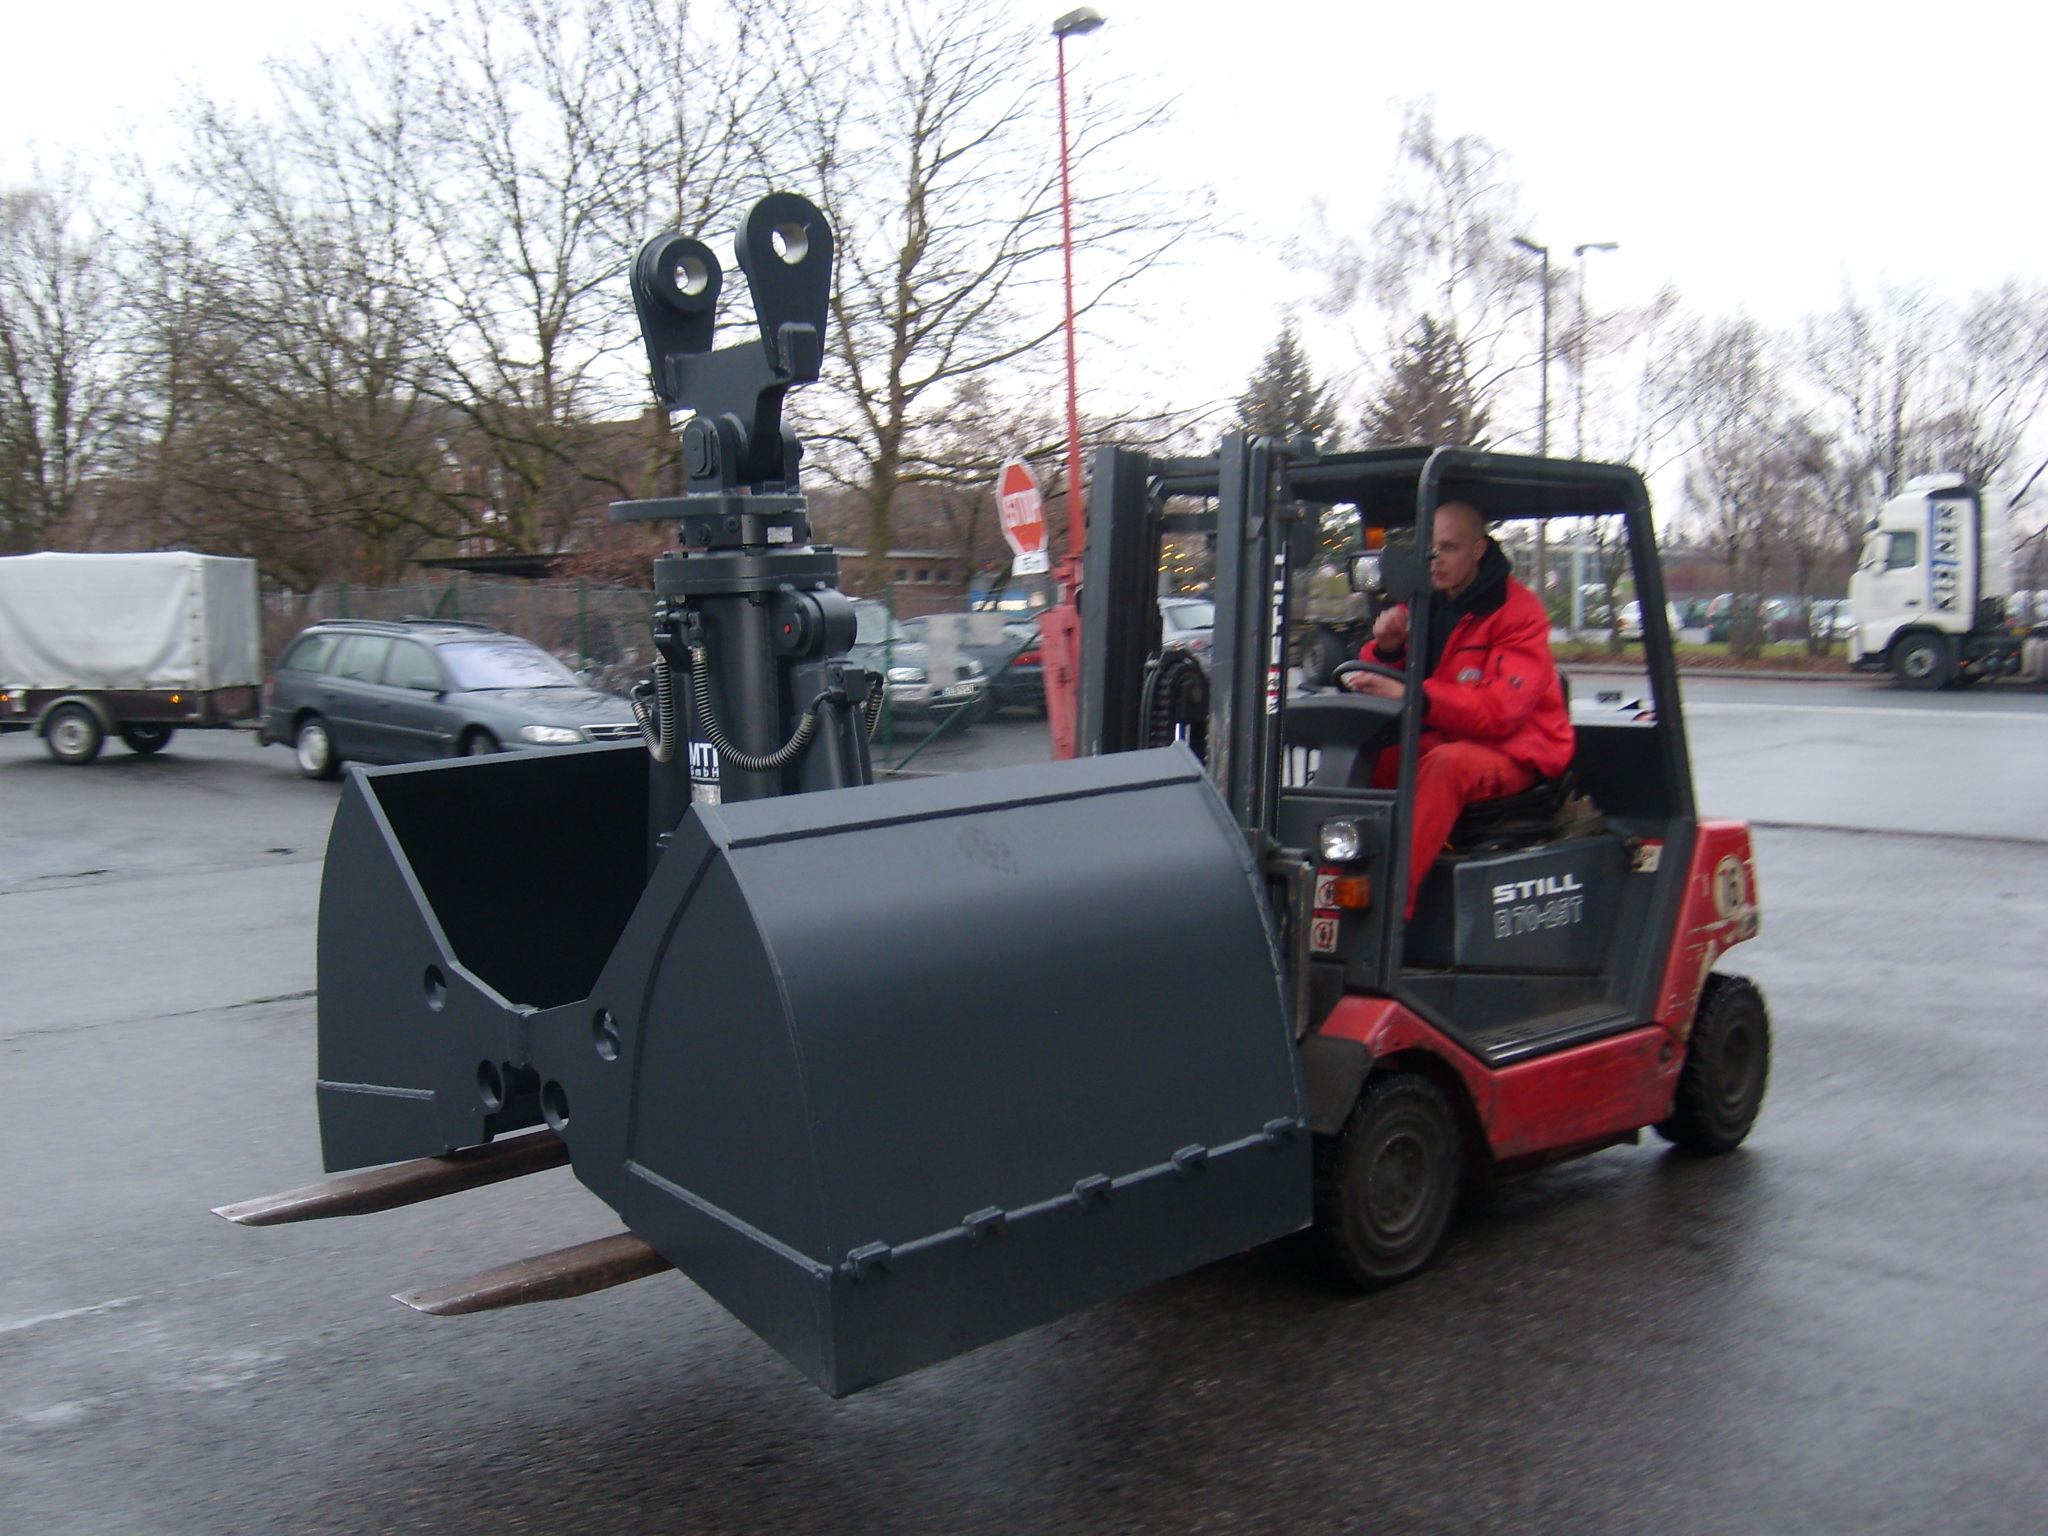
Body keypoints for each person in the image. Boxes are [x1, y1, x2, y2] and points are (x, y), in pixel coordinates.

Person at [1343, 502, 1575, 917]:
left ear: (1478, 550)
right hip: (1447, 732)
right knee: (1365, 757)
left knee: (1446, 767)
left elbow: (1502, 711)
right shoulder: (1423, 605)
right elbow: (1397, 681)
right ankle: (1331, 880)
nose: (1436, 560)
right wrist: (1387, 650)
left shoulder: (1517, 612)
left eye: (1448, 548)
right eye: (1430, 550)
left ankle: (1389, 912)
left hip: (1516, 750)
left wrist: (1414, 696)